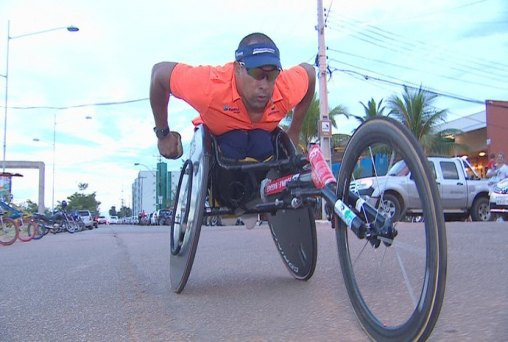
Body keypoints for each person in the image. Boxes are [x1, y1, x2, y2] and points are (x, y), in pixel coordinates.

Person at [149, 32, 316, 161]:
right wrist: (163, 135)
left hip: (263, 150)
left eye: (272, 75)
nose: (264, 85)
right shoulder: (210, 87)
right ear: (237, 69)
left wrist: (294, 130)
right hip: (219, 149)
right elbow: (159, 73)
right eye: (257, 73)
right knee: (235, 142)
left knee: (261, 142)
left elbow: (309, 73)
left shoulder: (284, 87)